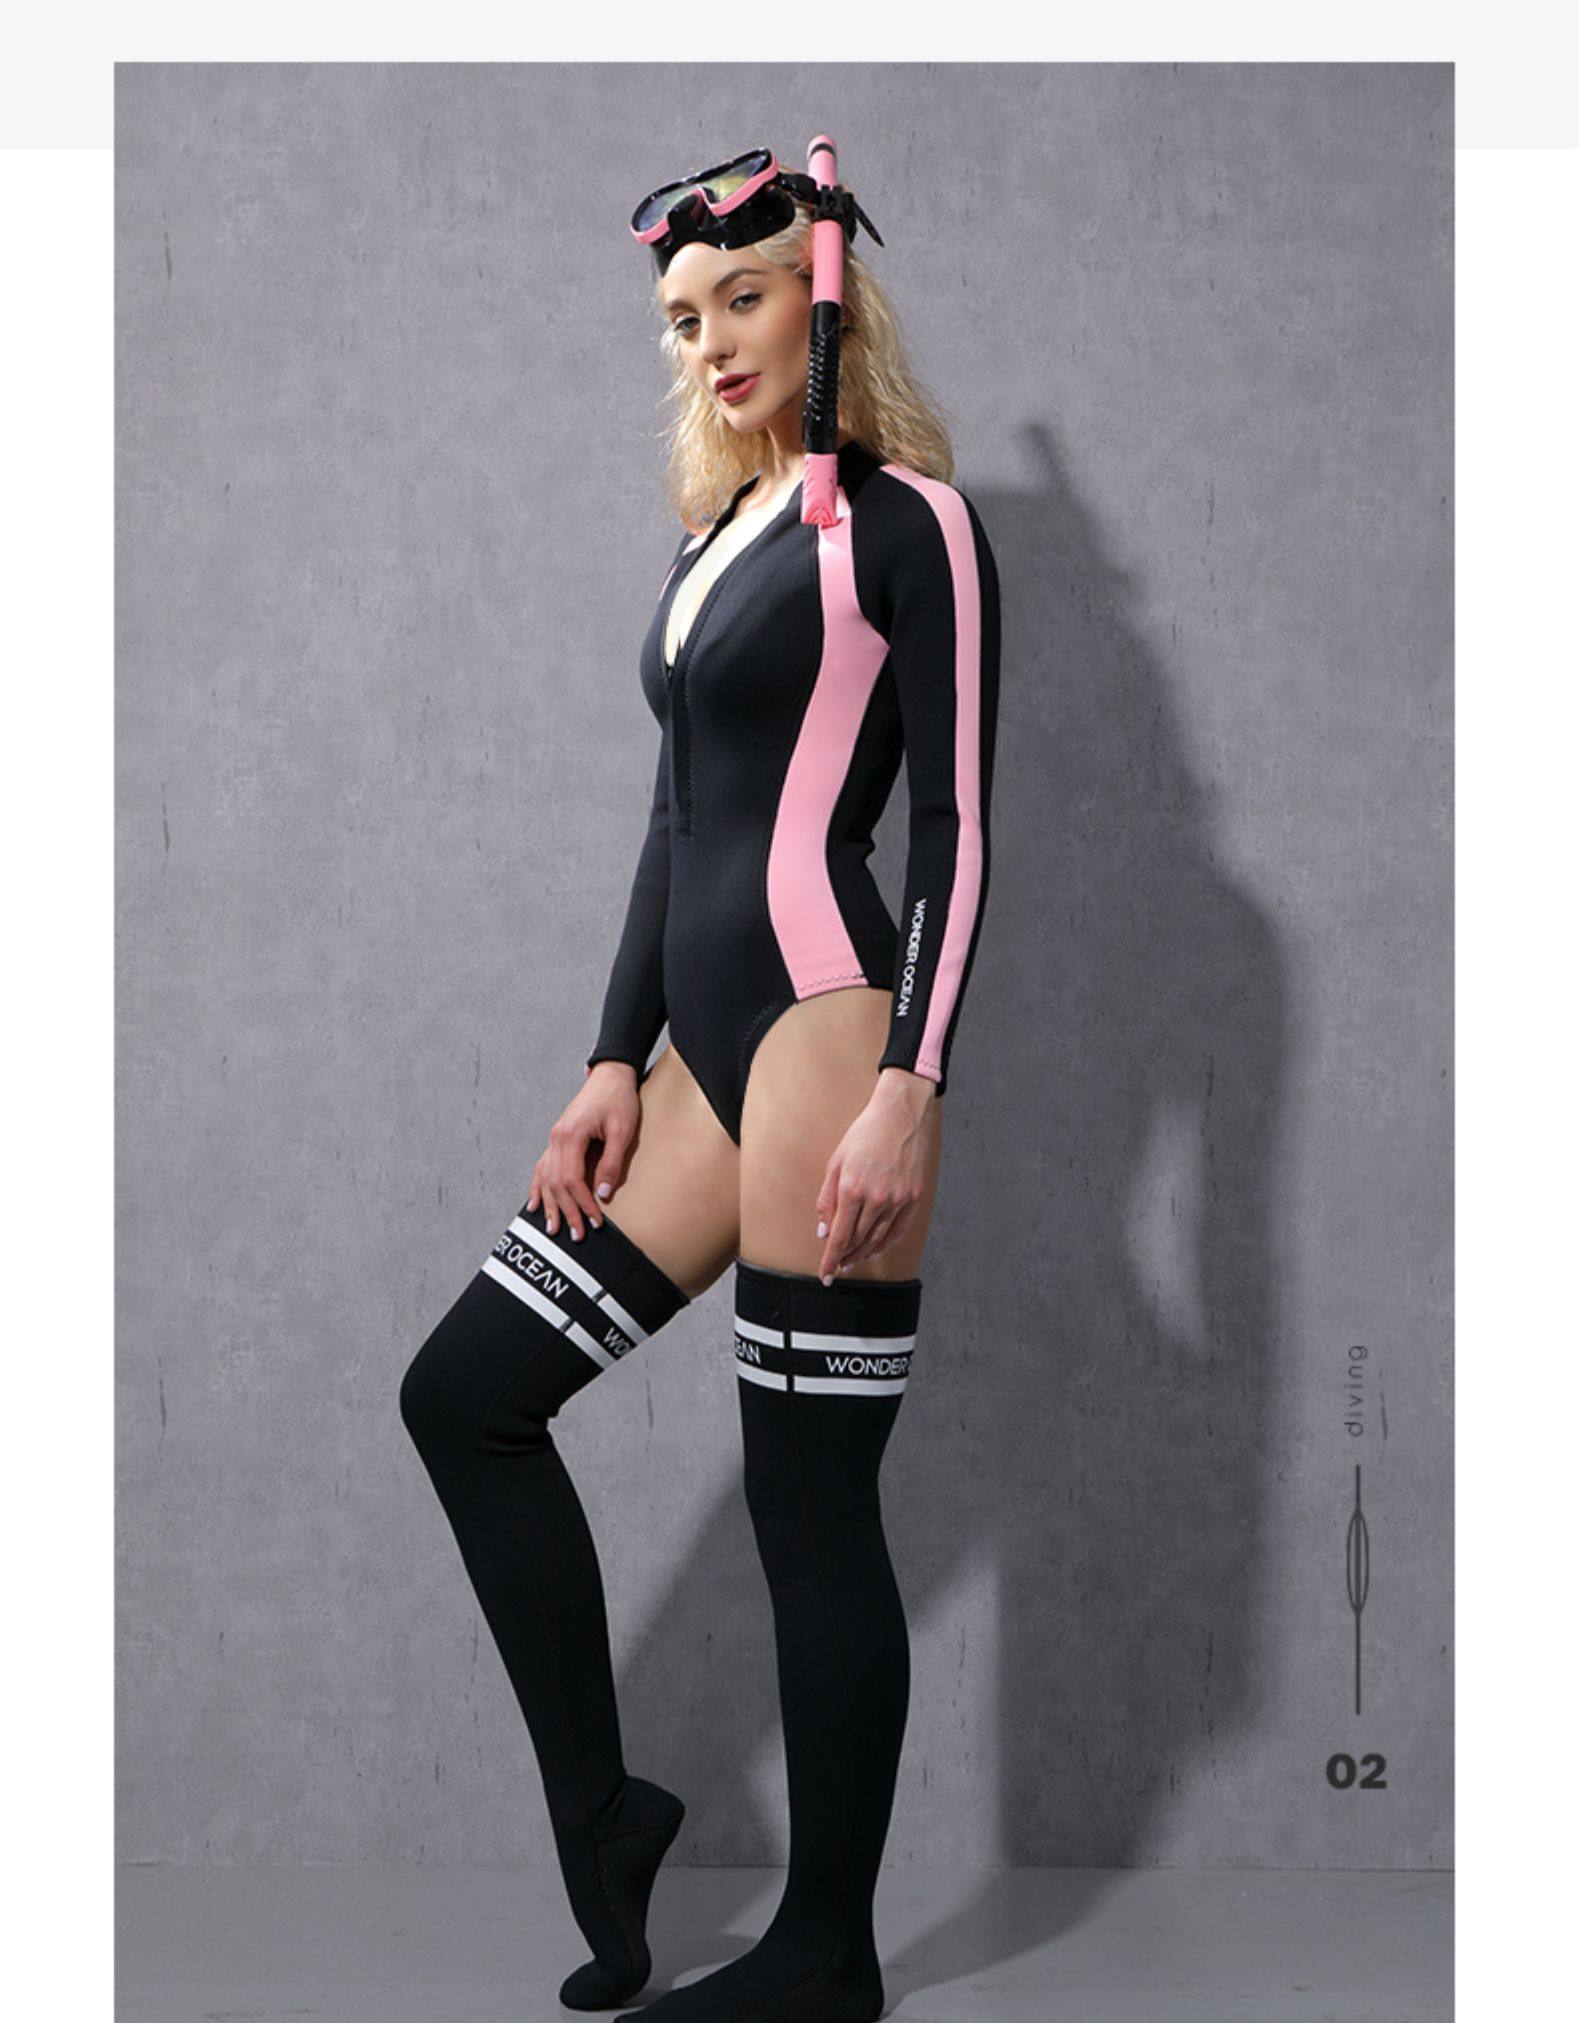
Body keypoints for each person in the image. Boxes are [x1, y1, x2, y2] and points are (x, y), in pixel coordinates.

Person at [399, 144, 1002, 2023]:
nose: (709, 341)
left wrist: (911, 1080)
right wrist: (608, 1056)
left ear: (821, 299)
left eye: (741, 298)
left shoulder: (909, 524)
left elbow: (957, 822)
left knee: (806, 1510)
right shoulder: (709, 538)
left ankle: (827, 1953)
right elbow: (675, 827)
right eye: (679, 318)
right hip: (695, 1052)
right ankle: (608, 1810)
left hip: (828, 1031)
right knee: (466, 1396)